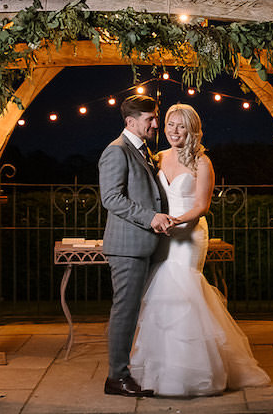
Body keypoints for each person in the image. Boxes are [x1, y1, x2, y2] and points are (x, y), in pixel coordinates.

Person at [130, 103, 270, 396]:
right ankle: (162, 372)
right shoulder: (157, 157)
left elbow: (202, 206)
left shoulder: (202, 162)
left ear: (192, 129)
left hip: (189, 233)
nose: (174, 131)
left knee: (182, 292)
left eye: (181, 126)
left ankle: (192, 373)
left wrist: (176, 221)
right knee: (161, 298)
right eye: (170, 124)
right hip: (163, 233)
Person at [98, 94, 176, 397]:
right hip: (127, 247)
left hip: (144, 245)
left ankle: (126, 372)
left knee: (134, 311)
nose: (156, 123)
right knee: (125, 312)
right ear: (130, 122)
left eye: (155, 118)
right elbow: (112, 199)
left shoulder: (142, 151)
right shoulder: (116, 151)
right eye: (150, 119)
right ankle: (116, 378)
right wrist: (152, 217)